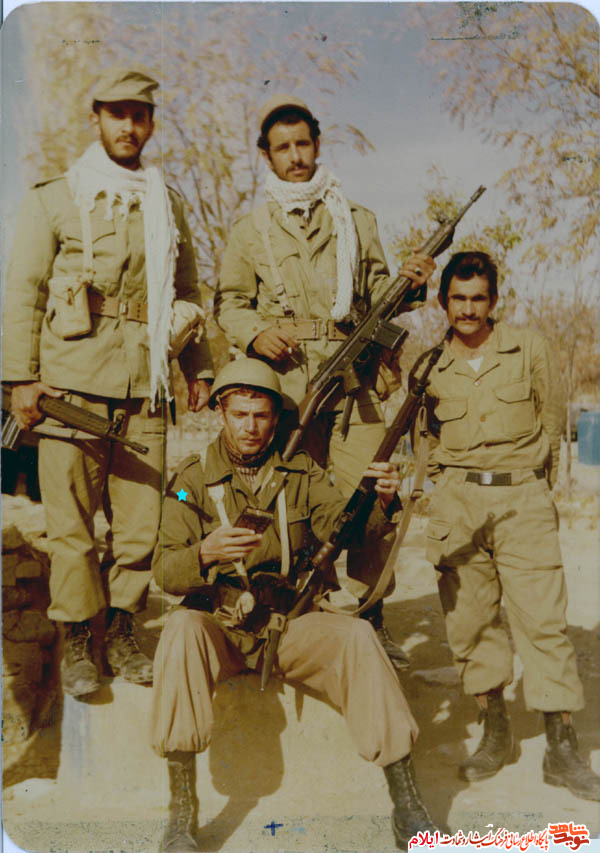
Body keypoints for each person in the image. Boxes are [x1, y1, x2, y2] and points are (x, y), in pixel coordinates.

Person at [150, 356, 438, 851]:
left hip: (289, 625)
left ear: (275, 418)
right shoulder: (189, 480)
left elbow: (343, 529)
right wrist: (204, 553)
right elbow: (164, 569)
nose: (250, 427)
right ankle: (182, 813)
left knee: (358, 636)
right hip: (220, 627)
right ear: (220, 413)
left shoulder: (302, 472)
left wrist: (381, 502)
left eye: (261, 416)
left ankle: (408, 805)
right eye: (240, 414)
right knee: (179, 632)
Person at [2, 67, 214, 698]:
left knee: (142, 524)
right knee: (70, 525)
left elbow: (187, 290)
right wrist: (19, 379)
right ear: (96, 118)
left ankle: (120, 629)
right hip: (69, 384)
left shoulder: (167, 203)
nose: (128, 126)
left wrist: (199, 367)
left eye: (139, 115)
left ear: (151, 125)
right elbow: (24, 291)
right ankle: (76, 638)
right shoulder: (55, 197)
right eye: (117, 113)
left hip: (145, 385)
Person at [214, 94, 435, 668]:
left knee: (372, 494)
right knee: (294, 501)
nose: (295, 157)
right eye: (282, 148)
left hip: (356, 383)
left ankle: (371, 614)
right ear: (266, 155)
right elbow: (230, 304)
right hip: (289, 391)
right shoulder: (250, 230)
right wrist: (257, 333)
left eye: (303, 144)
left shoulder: (356, 220)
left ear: (317, 145)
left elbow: (382, 295)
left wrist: (412, 284)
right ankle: (309, 609)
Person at [420, 251, 600, 800]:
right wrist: (444, 493)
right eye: (458, 299)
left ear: (494, 300)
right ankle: (495, 730)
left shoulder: (529, 349)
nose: (468, 310)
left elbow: (552, 419)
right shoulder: (430, 365)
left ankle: (561, 746)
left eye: (478, 298)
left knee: (543, 621)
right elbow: (424, 436)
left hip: (522, 498)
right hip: (458, 505)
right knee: (471, 622)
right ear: (443, 302)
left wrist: (535, 488)